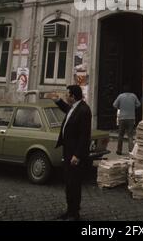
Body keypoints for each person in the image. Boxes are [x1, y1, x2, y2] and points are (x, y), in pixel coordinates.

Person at [54, 85, 91, 221]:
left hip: (75, 154)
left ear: (73, 96)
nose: (66, 96)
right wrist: (58, 101)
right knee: (69, 183)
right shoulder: (74, 107)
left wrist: (77, 155)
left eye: (67, 94)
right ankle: (69, 211)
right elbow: (67, 111)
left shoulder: (84, 110)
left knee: (74, 184)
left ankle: (74, 213)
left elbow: (84, 135)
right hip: (68, 151)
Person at [113, 84, 141, 155]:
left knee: (120, 135)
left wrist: (120, 107)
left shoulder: (120, 96)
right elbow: (138, 104)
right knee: (130, 135)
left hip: (122, 118)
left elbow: (114, 105)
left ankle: (119, 150)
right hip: (131, 118)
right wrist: (132, 107)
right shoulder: (133, 96)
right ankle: (131, 151)